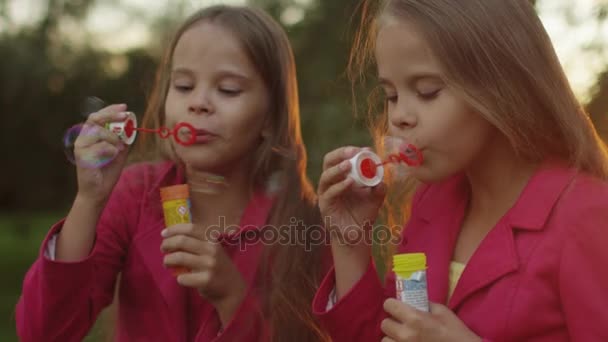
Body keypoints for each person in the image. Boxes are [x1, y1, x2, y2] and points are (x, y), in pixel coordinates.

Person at [17, 5, 328, 341]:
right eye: (183, 86)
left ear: (271, 116)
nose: (198, 102)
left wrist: (233, 298)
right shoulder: (137, 194)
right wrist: (89, 200)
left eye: (228, 90)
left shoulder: (299, 222)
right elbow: (44, 331)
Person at [313, 0, 608, 340]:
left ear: (502, 88)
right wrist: (349, 241)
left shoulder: (586, 215)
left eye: (427, 91)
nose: (399, 116)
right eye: (391, 95)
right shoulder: (430, 206)